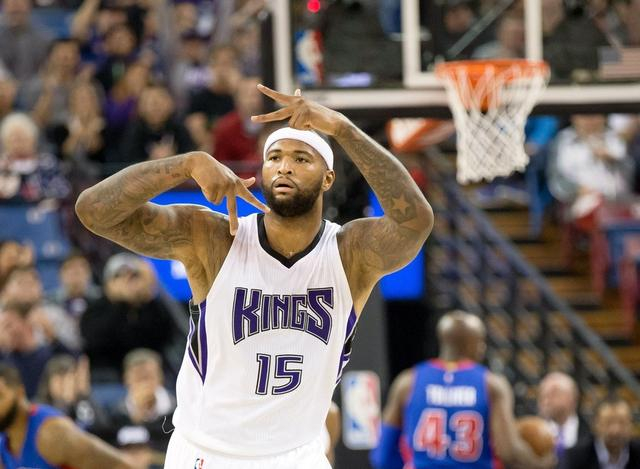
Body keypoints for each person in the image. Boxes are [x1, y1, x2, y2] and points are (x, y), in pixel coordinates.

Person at [75, 84, 434, 467]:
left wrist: (343, 130)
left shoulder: (349, 253)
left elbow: (415, 223)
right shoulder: (215, 239)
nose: (284, 167)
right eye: (274, 157)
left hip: (297, 456)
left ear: (328, 178)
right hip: (208, 454)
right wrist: (185, 164)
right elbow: (94, 211)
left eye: (301, 158)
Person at [370, 310, 555, 469]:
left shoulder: (408, 382)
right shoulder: (491, 384)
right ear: (475, 345)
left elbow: (382, 456)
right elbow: (509, 452)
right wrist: (542, 463)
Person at [0, 362, 136, 469]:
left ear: (20, 392)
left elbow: (120, 465)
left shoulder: (51, 432)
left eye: (0, 396)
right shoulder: (5, 441)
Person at [559, 396, 640, 469]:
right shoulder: (576, 456)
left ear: (631, 424)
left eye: (622, 423)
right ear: (595, 425)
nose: (615, 431)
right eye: (608, 423)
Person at [538, 372, 592, 456]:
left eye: (553, 394)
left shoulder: (590, 432)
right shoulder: (533, 433)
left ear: (572, 397)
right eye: (543, 395)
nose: (546, 401)